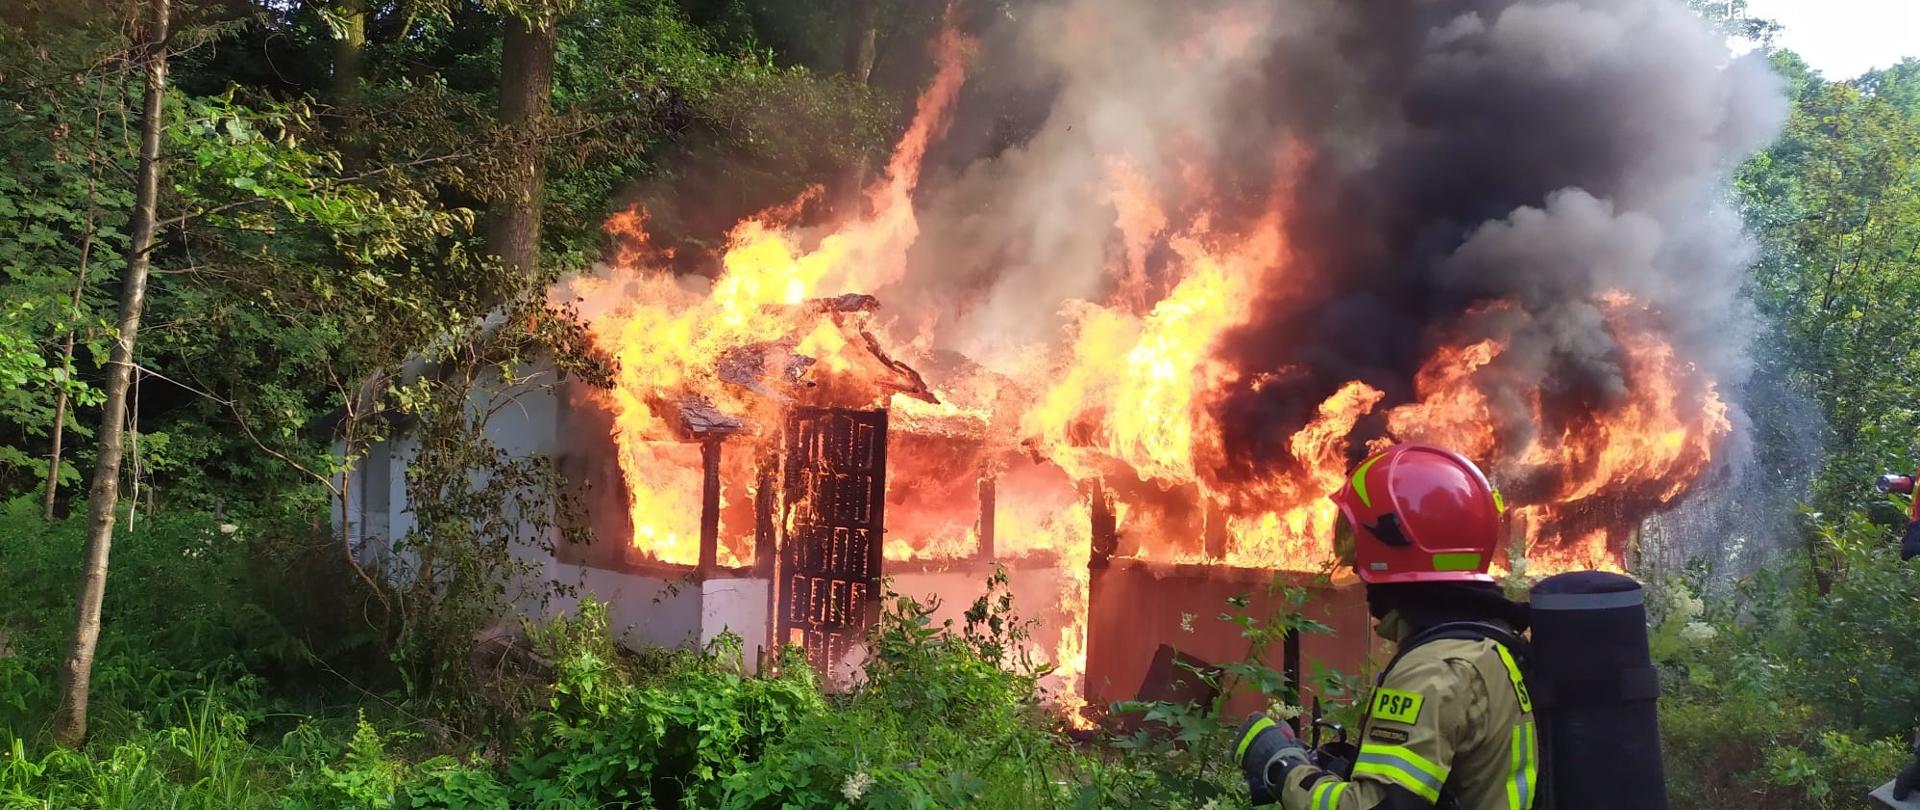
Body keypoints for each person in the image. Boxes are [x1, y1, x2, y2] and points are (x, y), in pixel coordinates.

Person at [1232, 444, 1538, 809]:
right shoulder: (1489, 640)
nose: (1357, 562)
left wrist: (1281, 768)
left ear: (1396, 546)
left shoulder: (1433, 672)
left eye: (1358, 542)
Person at [1876, 471, 1920, 561]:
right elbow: (1916, 484)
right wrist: (1900, 482)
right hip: (1916, 524)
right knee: (1908, 554)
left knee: (1910, 551)